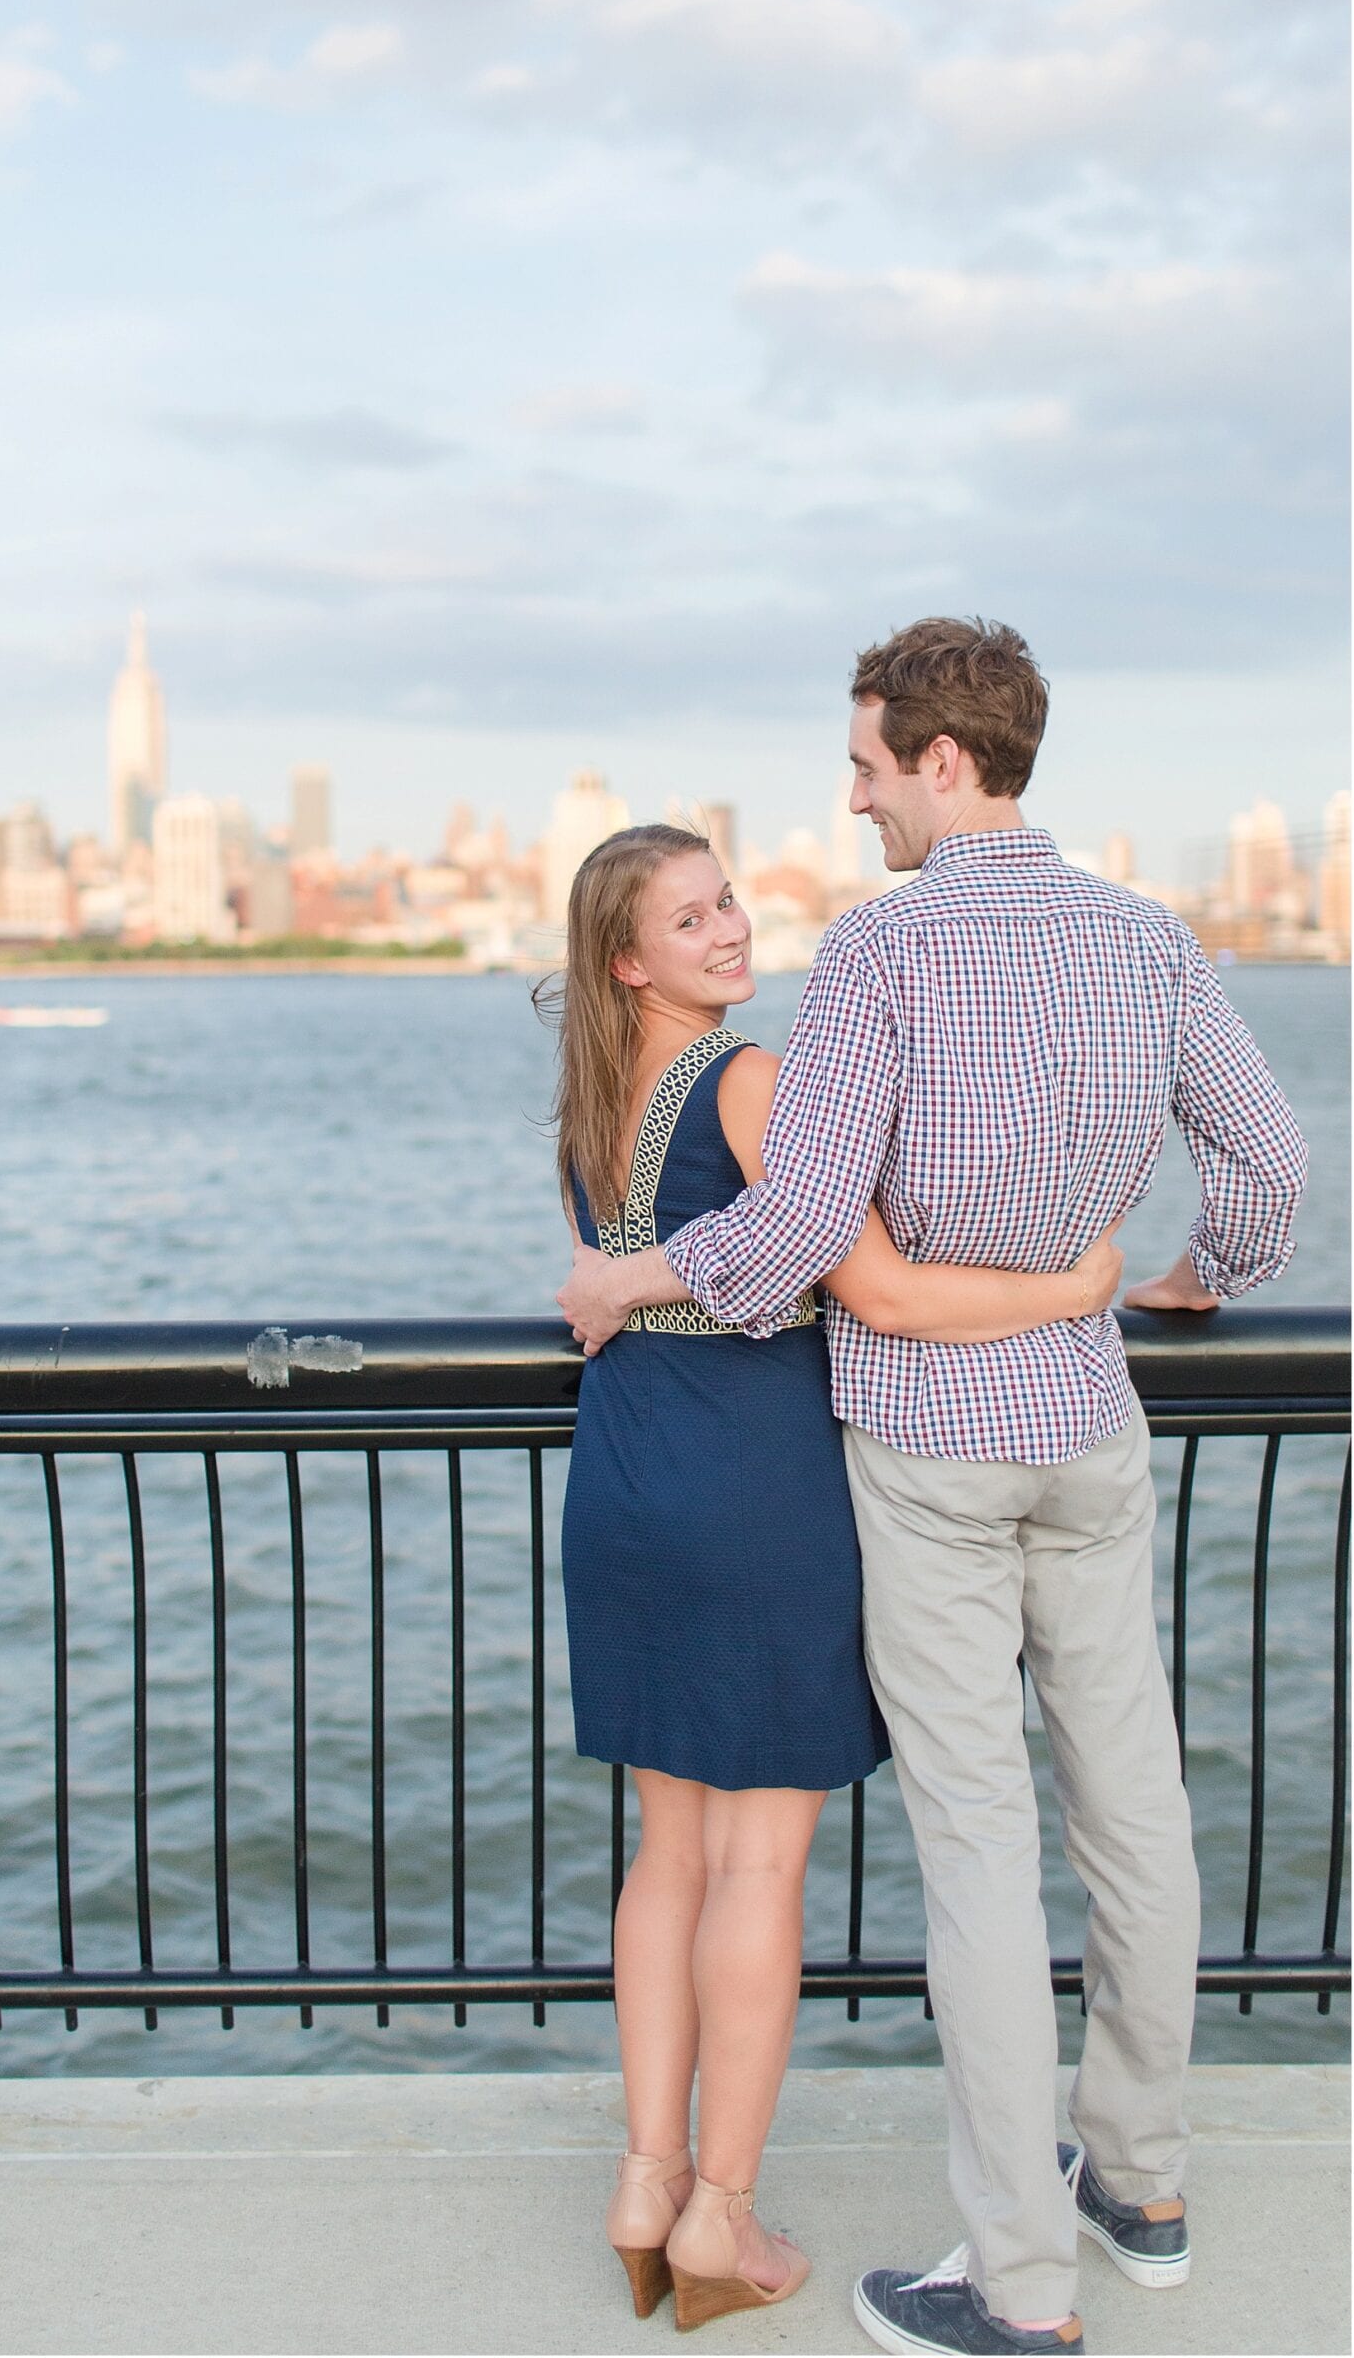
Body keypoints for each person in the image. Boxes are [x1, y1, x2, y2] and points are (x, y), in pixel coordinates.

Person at [557, 620, 1308, 2358]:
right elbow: (1264, 1164)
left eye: (870, 764)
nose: (855, 794)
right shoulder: (1146, 937)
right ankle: (1145, 2181)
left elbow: (810, 1230)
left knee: (979, 1854)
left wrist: (636, 1274)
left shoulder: (882, 955)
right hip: (1091, 1426)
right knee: (1136, 1812)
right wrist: (1199, 1272)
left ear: (943, 763)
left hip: (929, 1443)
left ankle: (1021, 2287)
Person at [544, 819, 1125, 2334]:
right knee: (760, 1866)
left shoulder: (590, 1100)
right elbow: (874, 1287)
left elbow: (642, 1267)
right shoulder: (753, 1082)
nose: (731, 929)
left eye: (727, 899)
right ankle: (723, 2217)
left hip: (623, 1478)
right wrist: (1071, 1286)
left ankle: (644, 2182)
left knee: (667, 1857)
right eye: (691, 921)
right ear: (631, 960)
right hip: (752, 1491)